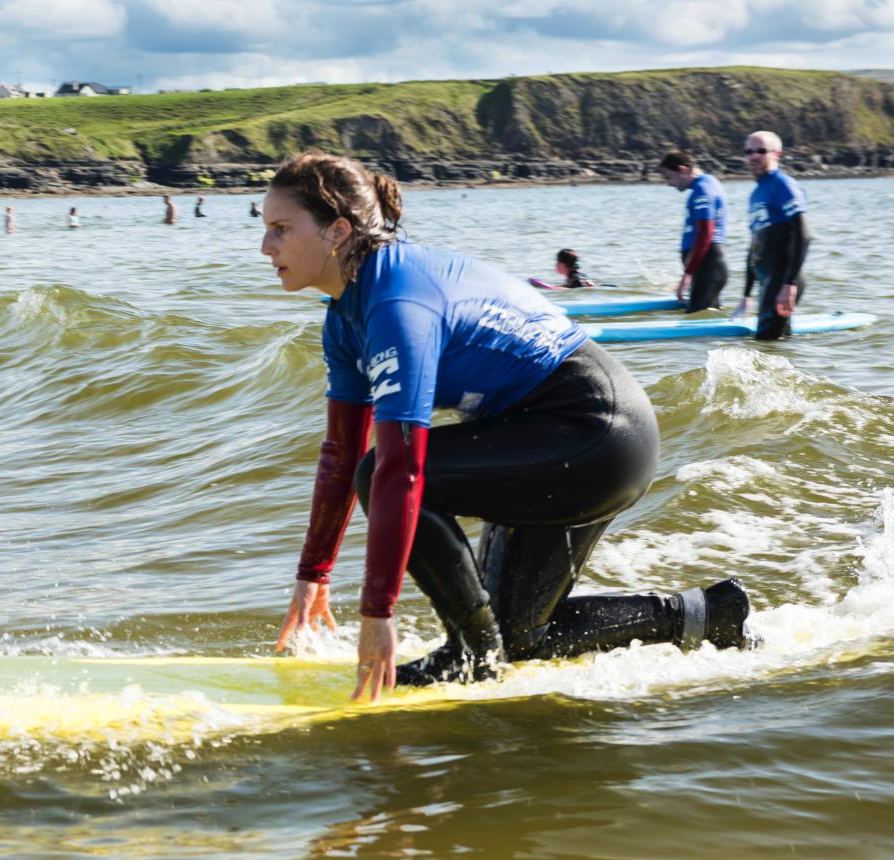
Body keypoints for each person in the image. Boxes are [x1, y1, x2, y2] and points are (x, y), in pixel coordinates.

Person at [261, 152, 755, 702]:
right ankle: (708, 615)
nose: (266, 247)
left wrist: (379, 613)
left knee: (384, 473)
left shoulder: (395, 300)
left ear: (338, 231)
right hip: (541, 439)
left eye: (281, 229)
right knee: (521, 636)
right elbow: (339, 451)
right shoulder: (345, 317)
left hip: (595, 433)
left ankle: (472, 656)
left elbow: (400, 469)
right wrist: (315, 573)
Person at [731, 130, 809, 340]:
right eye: (748, 151)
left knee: (765, 346)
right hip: (769, 283)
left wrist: (789, 284)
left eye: (761, 151)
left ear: (777, 154)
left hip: (782, 282)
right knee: (775, 347)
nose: (754, 156)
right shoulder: (757, 193)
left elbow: (804, 234)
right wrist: (747, 294)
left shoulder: (783, 185)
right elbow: (755, 248)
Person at [657, 150, 727, 311]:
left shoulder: (703, 190)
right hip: (707, 268)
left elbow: (705, 234)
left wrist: (687, 275)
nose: (668, 183)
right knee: (707, 319)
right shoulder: (707, 184)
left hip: (708, 268)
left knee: (698, 325)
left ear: (682, 170)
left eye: (668, 177)